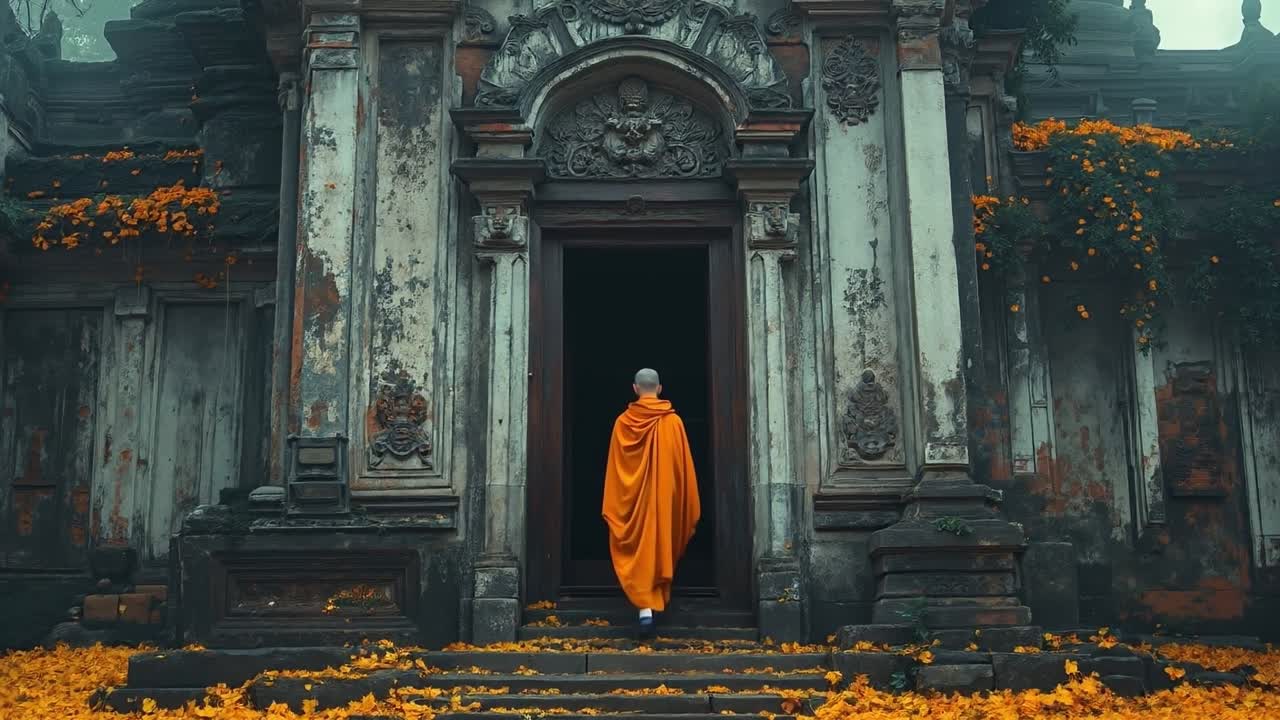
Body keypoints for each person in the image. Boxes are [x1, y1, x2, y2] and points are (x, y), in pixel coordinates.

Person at [602, 368, 701, 640]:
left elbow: (616, 471)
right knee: (658, 544)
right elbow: (684, 471)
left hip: (632, 502)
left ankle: (645, 610)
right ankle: (649, 608)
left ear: (635, 388)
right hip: (663, 500)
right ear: (659, 389)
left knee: (640, 548)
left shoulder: (622, 423)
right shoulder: (674, 423)